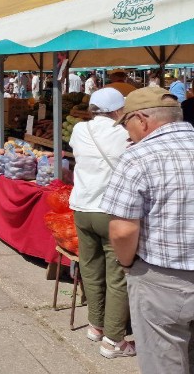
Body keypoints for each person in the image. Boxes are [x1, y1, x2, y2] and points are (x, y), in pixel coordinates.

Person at [100, 87, 194, 372]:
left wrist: (127, 264)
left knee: (164, 363)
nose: (127, 133)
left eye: (127, 123)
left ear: (142, 119)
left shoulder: (137, 157)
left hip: (164, 281)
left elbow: (122, 230)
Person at [68, 88, 133, 359]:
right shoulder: (124, 134)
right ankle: (113, 340)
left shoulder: (79, 130)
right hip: (111, 212)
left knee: (91, 269)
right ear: (119, 110)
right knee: (117, 276)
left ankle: (96, 325)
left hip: (82, 208)